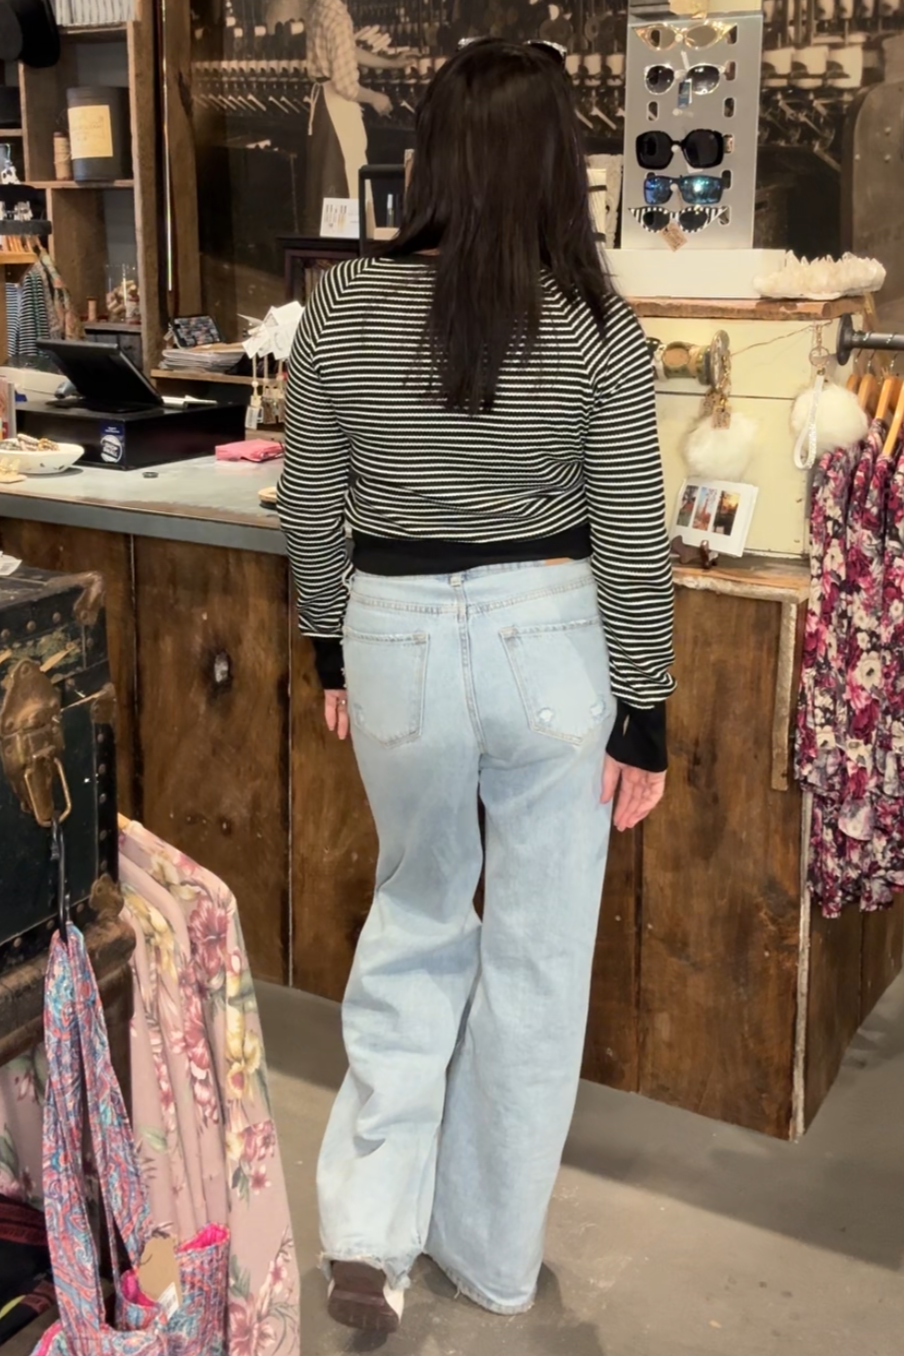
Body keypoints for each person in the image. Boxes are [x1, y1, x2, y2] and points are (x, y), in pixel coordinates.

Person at [278, 38, 675, 1335]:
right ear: (563, 159)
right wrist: (647, 711)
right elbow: (630, 533)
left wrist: (331, 644)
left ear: (428, 153)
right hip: (549, 636)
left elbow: (309, 497)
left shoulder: (341, 307)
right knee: (539, 957)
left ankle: (370, 1238)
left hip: (396, 636)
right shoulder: (599, 323)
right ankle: (494, 1259)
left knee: (413, 921)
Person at [266, 0, 406, 233]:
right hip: (338, 111)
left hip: (323, 105)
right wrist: (375, 98)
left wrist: (392, 64)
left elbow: (347, 49)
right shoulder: (338, 17)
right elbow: (346, 86)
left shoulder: (319, 9)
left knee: (327, 192)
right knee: (346, 187)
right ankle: (349, 259)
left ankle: (329, 263)